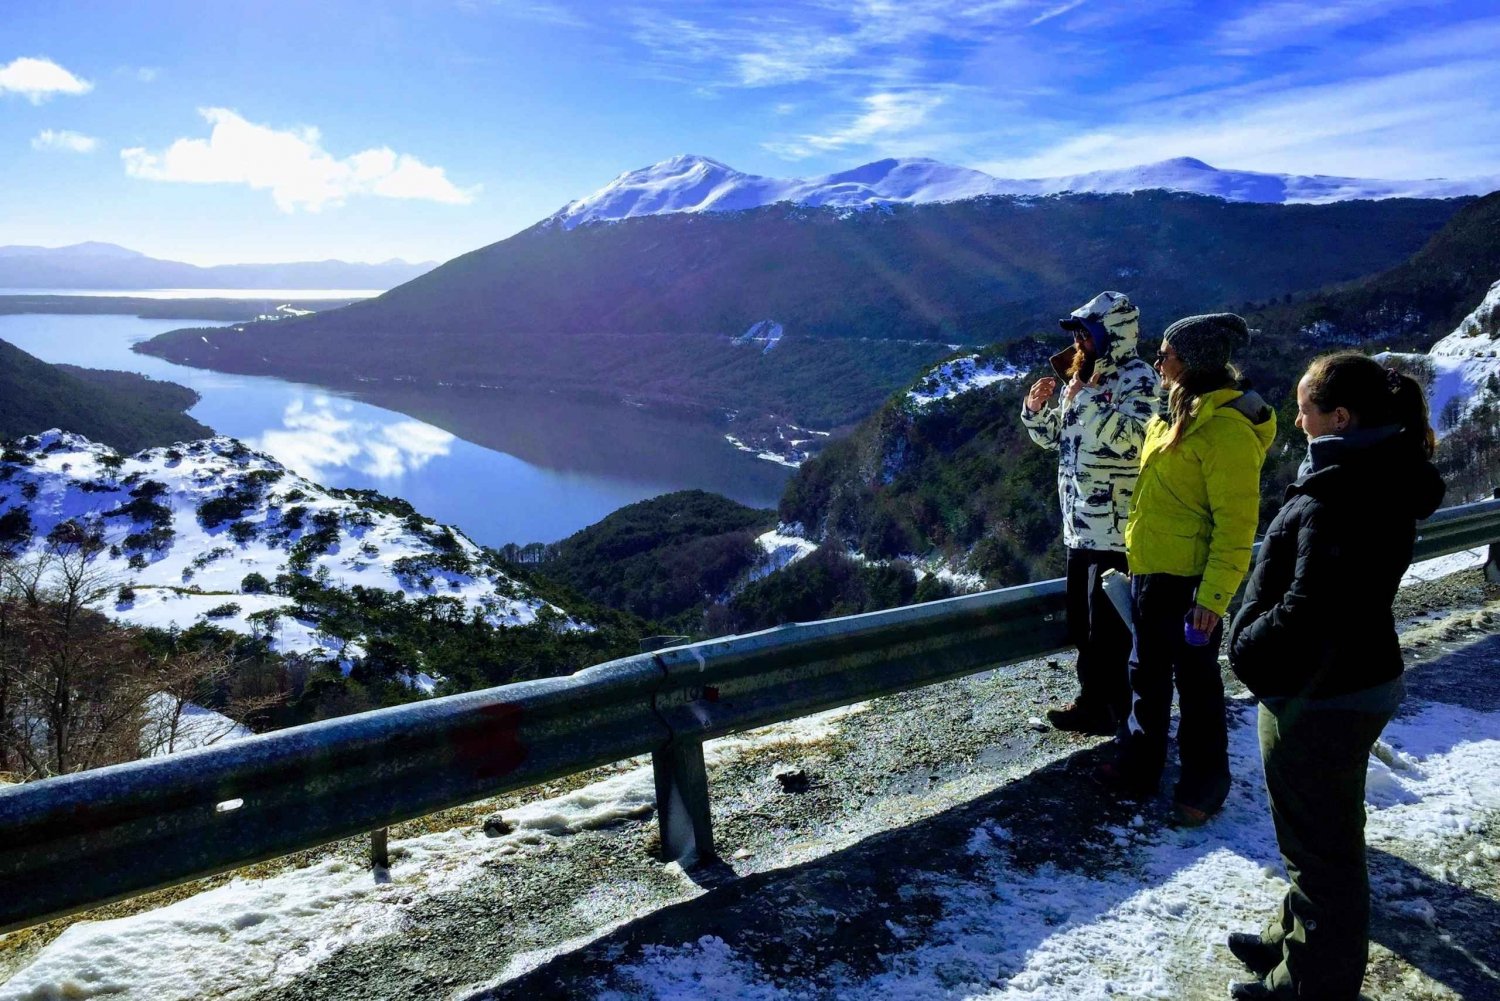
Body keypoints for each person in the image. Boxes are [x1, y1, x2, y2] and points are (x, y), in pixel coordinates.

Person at [1223, 353, 1444, 1001]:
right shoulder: (1383, 473)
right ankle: (1296, 942)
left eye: (1307, 409)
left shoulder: (1338, 495)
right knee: (1327, 834)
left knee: (1322, 852)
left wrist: (1246, 647)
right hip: (1361, 676)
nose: (1297, 419)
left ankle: (1313, 985)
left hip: (1320, 696)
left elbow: (1307, 610)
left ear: (1340, 417)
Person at [1104, 312, 1275, 822]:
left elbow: (1237, 523)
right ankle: (1140, 766)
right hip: (1151, 573)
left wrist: (1213, 597)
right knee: (1146, 676)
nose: (1158, 362)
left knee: (1197, 686)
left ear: (1193, 364)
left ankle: (1204, 784)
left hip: (1191, 585)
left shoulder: (1225, 431)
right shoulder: (1173, 416)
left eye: (1167, 355)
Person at [1022, 291, 1160, 735]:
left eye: (1087, 332)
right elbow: (1057, 442)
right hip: (1079, 526)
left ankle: (1118, 713)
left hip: (1117, 529)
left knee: (1110, 632)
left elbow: (1138, 440)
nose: (1079, 341)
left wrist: (1087, 401)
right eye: (1077, 333)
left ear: (1112, 335)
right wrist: (1036, 410)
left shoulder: (1138, 378)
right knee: (1084, 628)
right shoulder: (1083, 378)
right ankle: (1092, 702)